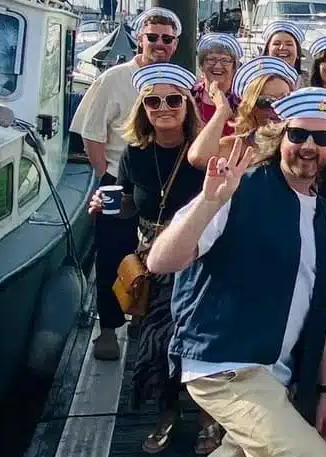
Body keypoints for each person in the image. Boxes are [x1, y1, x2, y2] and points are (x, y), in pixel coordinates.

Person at [147, 87, 326, 457]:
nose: (309, 146)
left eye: (322, 138)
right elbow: (161, 261)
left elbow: (324, 309)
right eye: (298, 134)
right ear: (279, 136)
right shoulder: (241, 189)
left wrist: (325, 391)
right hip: (226, 366)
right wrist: (210, 201)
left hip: (274, 375)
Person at [88, 63, 217, 454]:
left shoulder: (202, 154)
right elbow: (130, 204)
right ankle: (168, 412)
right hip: (153, 262)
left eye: (173, 99)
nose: (164, 107)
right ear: (143, 107)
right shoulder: (134, 154)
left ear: (187, 105)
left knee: (203, 340)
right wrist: (107, 205)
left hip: (200, 261)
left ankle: (209, 418)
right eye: (153, 101)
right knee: (156, 343)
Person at [70, 6, 181, 360]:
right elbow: (91, 132)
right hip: (119, 175)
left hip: (162, 182)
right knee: (113, 252)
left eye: (167, 39)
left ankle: (141, 316)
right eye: (152, 37)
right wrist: (106, 176)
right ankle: (107, 328)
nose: (159, 44)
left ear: (175, 44)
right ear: (139, 39)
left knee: (155, 257)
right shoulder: (113, 78)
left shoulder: (179, 81)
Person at [187, 55, 299, 168]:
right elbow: (199, 157)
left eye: (285, 100)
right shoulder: (240, 145)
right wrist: (222, 111)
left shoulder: (306, 139)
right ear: (251, 107)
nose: (276, 108)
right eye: (265, 102)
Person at [193, 33, 243, 133]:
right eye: (211, 59)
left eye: (225, 60)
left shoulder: (243, 99)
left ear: (234, 67)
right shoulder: (190, 95)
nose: (218, 66)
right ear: (201, 65)